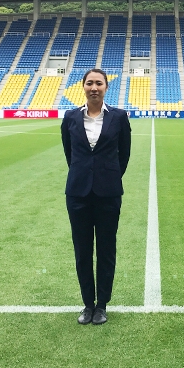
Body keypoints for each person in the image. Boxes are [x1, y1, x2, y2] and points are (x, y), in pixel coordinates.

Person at [61, 68, 131, 325]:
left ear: (106, 87)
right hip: (78, 193)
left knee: (106, 249)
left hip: (108, 193)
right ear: (83, 86)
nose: (94, 87)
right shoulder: (70, 117)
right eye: (89, 83)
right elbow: (70, 154)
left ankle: (102, 304)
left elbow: (124, 154)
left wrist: (108, 176)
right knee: (82, 250)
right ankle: (87, 304)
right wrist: (84, 174)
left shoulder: (119, 117)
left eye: (98, 83)